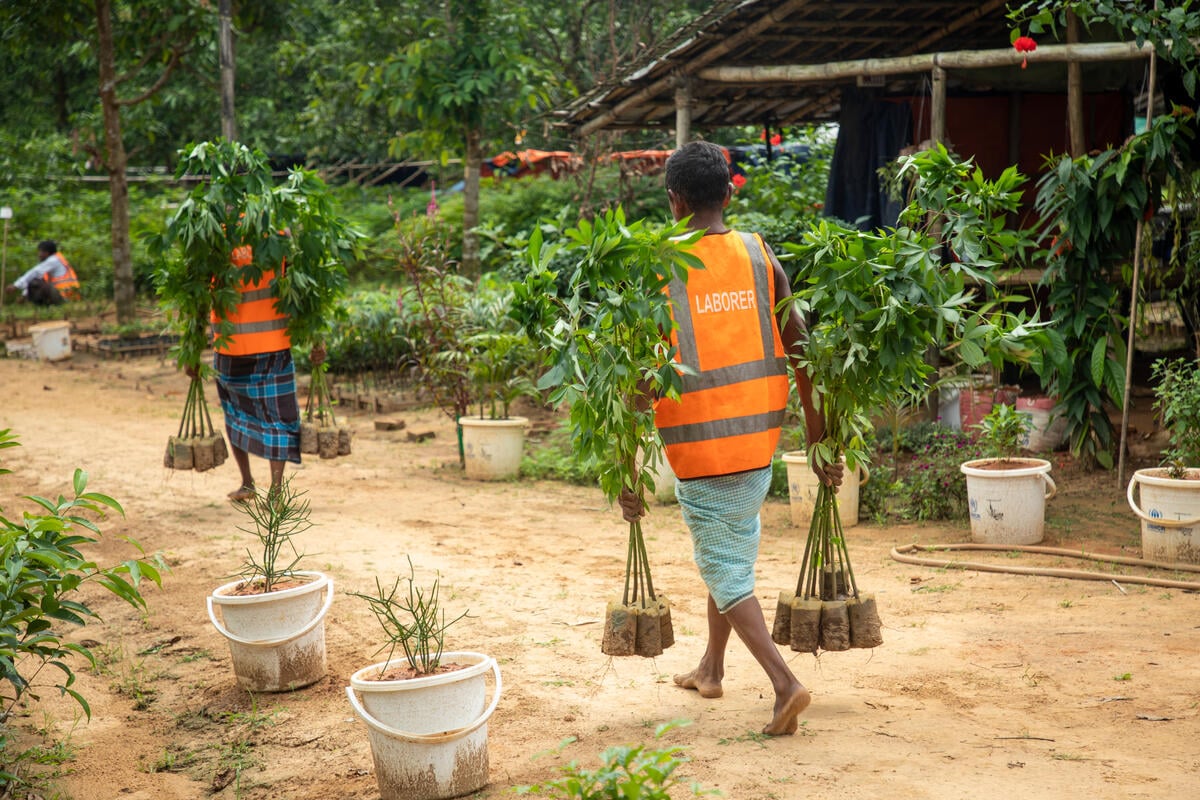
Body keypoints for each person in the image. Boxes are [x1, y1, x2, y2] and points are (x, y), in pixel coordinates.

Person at [618, 140, 842, 737]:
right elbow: (803, 352)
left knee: (724, 566)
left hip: (699, 448)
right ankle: (711, 667)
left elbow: (637, 379)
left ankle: (784, 683)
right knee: (729, 556)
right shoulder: (759, 256)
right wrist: (820, 441)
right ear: (729, 192)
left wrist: (625, 466)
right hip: (757, 441)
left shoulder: (658, 266)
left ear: (674, 200)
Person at [202, 244, 321, 502]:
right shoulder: (277, 235)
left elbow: (304, 285)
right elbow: (308, 286)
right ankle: (267, 490)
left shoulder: (218, 234)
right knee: (274, 418)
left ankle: (253, 485)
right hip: (264, 344)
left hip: (240, 345)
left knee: (237, 415)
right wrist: (317, 341)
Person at [5, 240, 80, 305]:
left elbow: (35, 272)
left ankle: (42, 305)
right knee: (36, 281)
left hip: (66, 296)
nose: (39, 254)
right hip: (64, 295)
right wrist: (24, 295)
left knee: (36, 283)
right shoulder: (50, 263)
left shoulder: (53, 260)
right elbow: (36, 276)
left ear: (47, 253)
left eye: (41, 252)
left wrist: (15, 285)